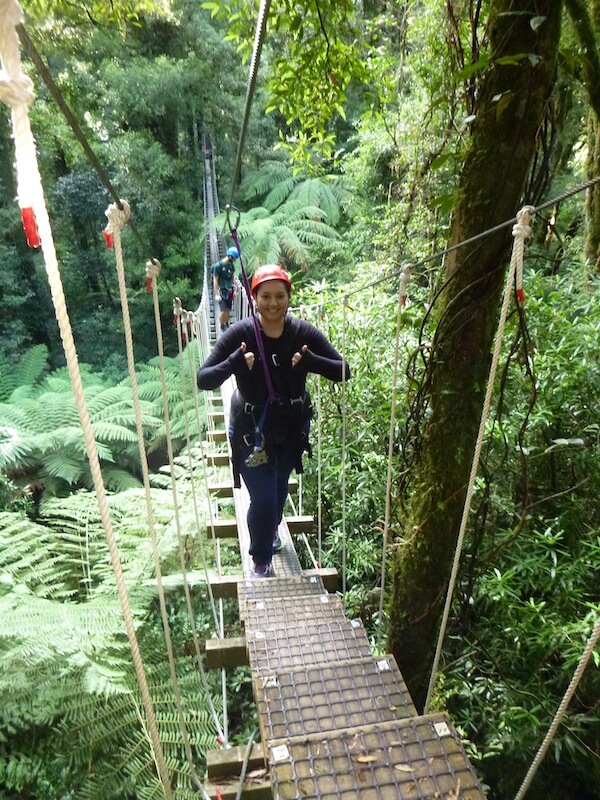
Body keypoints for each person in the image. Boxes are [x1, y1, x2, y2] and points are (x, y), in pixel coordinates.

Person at [197, 264, 350, 579]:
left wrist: (312, 362)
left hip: (291, 430)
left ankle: (272, 528)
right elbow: (204, 379)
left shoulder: (301, 332)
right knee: (264, 498)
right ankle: (261, 558)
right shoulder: (241, 334)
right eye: (265, 296)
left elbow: (343, 370)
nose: (273, 302)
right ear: (254, 298)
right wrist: (233, 363)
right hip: (250, 432)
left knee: (279, 487)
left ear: (288, 297)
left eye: (279, 295)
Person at [212, 246, 239, 331]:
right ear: (230, 256)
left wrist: (235, 289)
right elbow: (215, 280)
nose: (234, 260)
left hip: (229, 290)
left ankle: (227, 324)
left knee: (228, 310)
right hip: (222, 291)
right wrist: (217, 294)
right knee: (223, 311)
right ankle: (221, 326)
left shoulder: (231, 265)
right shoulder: (218, 266)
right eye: (234, 258)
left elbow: (233, 277)